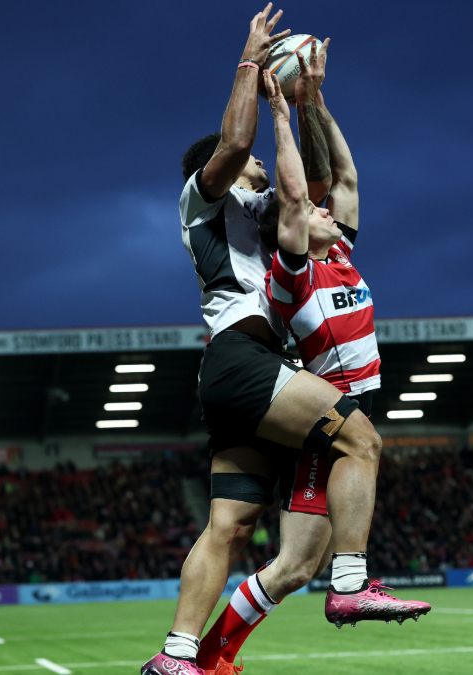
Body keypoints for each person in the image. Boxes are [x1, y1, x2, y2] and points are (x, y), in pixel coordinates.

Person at [142, 8, 425, 673]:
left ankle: (179, 656)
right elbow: (238, 149)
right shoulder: (204, 198)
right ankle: (351, 581)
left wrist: (310, 101)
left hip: (247, 376)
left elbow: (320, 185)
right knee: (361, 438)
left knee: (231, 524)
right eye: (253, 168)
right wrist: (253, 63)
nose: (264, 168)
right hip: (245, 361)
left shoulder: (270, 228)